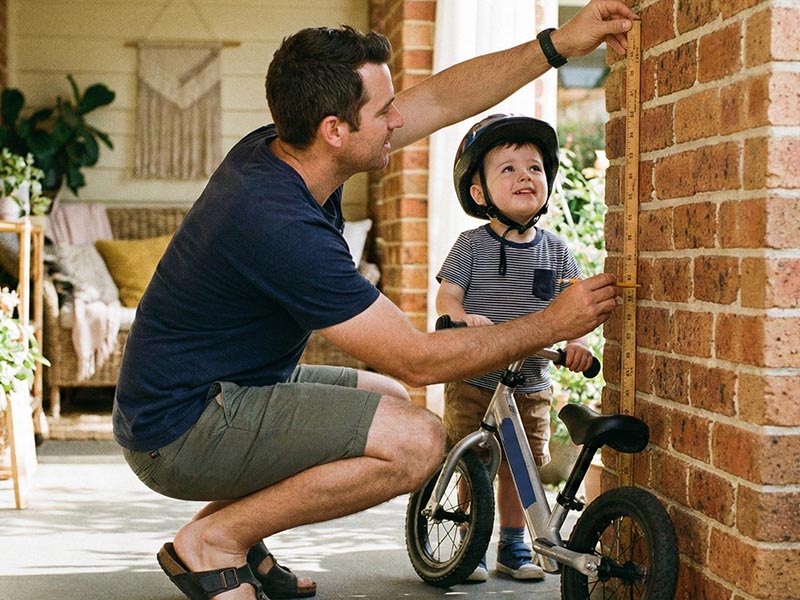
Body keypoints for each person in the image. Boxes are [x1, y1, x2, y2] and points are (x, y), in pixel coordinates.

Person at [113, 3, 636, 599]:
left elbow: (440, 100)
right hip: (182, 430)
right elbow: (416, 359)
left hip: (212, 393)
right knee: (417, 442)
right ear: (335, 129)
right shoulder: (275, 222)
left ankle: (229, 536)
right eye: (384, 111)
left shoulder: (292, 148)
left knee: (386, 400)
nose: (397, 120)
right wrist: (549, 323)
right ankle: (215, 543)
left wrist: (561, 43)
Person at [436, 114, 594, 583]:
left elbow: (575, 305)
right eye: (509, 168)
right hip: (475, 376)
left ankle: (512, 543)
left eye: (535, 168)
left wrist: (578, 342)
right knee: (477, 462)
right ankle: (470, 542)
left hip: (530, 381)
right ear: (479, 193)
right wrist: (460, 319)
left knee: (518, 468)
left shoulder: (557, 251)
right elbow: (448, 293)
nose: (526, 175)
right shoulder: (471, 246)